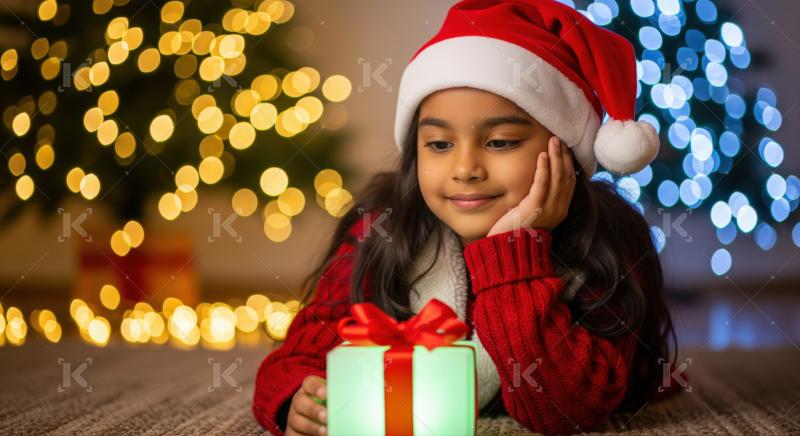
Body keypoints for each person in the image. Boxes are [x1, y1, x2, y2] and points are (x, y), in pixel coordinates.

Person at [253, 1, 685, 434]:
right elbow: (300, 355)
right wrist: (299, 397)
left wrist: (513, 255)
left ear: (567, 152)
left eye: (500, 142)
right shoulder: (381, 228)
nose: (464, 169)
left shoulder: (608, 243)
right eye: (439, 145)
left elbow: (569, 412)